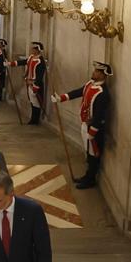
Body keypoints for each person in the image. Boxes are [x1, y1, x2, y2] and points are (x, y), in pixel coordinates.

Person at [54, 61, 114, 189]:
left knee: (93, 155)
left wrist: (92, 133)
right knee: (88, 153)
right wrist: (61, 98)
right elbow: (79, 92)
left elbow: (99, 116)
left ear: (103, 75)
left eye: (97, 72)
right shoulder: (90, 84)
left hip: (94, 131)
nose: (94, 73)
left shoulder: (103, 93)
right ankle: (87, 175)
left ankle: (91, 179)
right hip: (85, 126)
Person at [22, 41, 47, 124]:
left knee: (36, 102)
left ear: (37, 50)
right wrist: (11, 63)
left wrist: (36, 86)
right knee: (32, 102)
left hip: (35, 84)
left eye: (33, 49)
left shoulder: (40, 60)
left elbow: (40, 75)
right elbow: (24, 62)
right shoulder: (31, 57)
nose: (31, 50)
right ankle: (33, 118)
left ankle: (36, 119)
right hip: (29, 83)